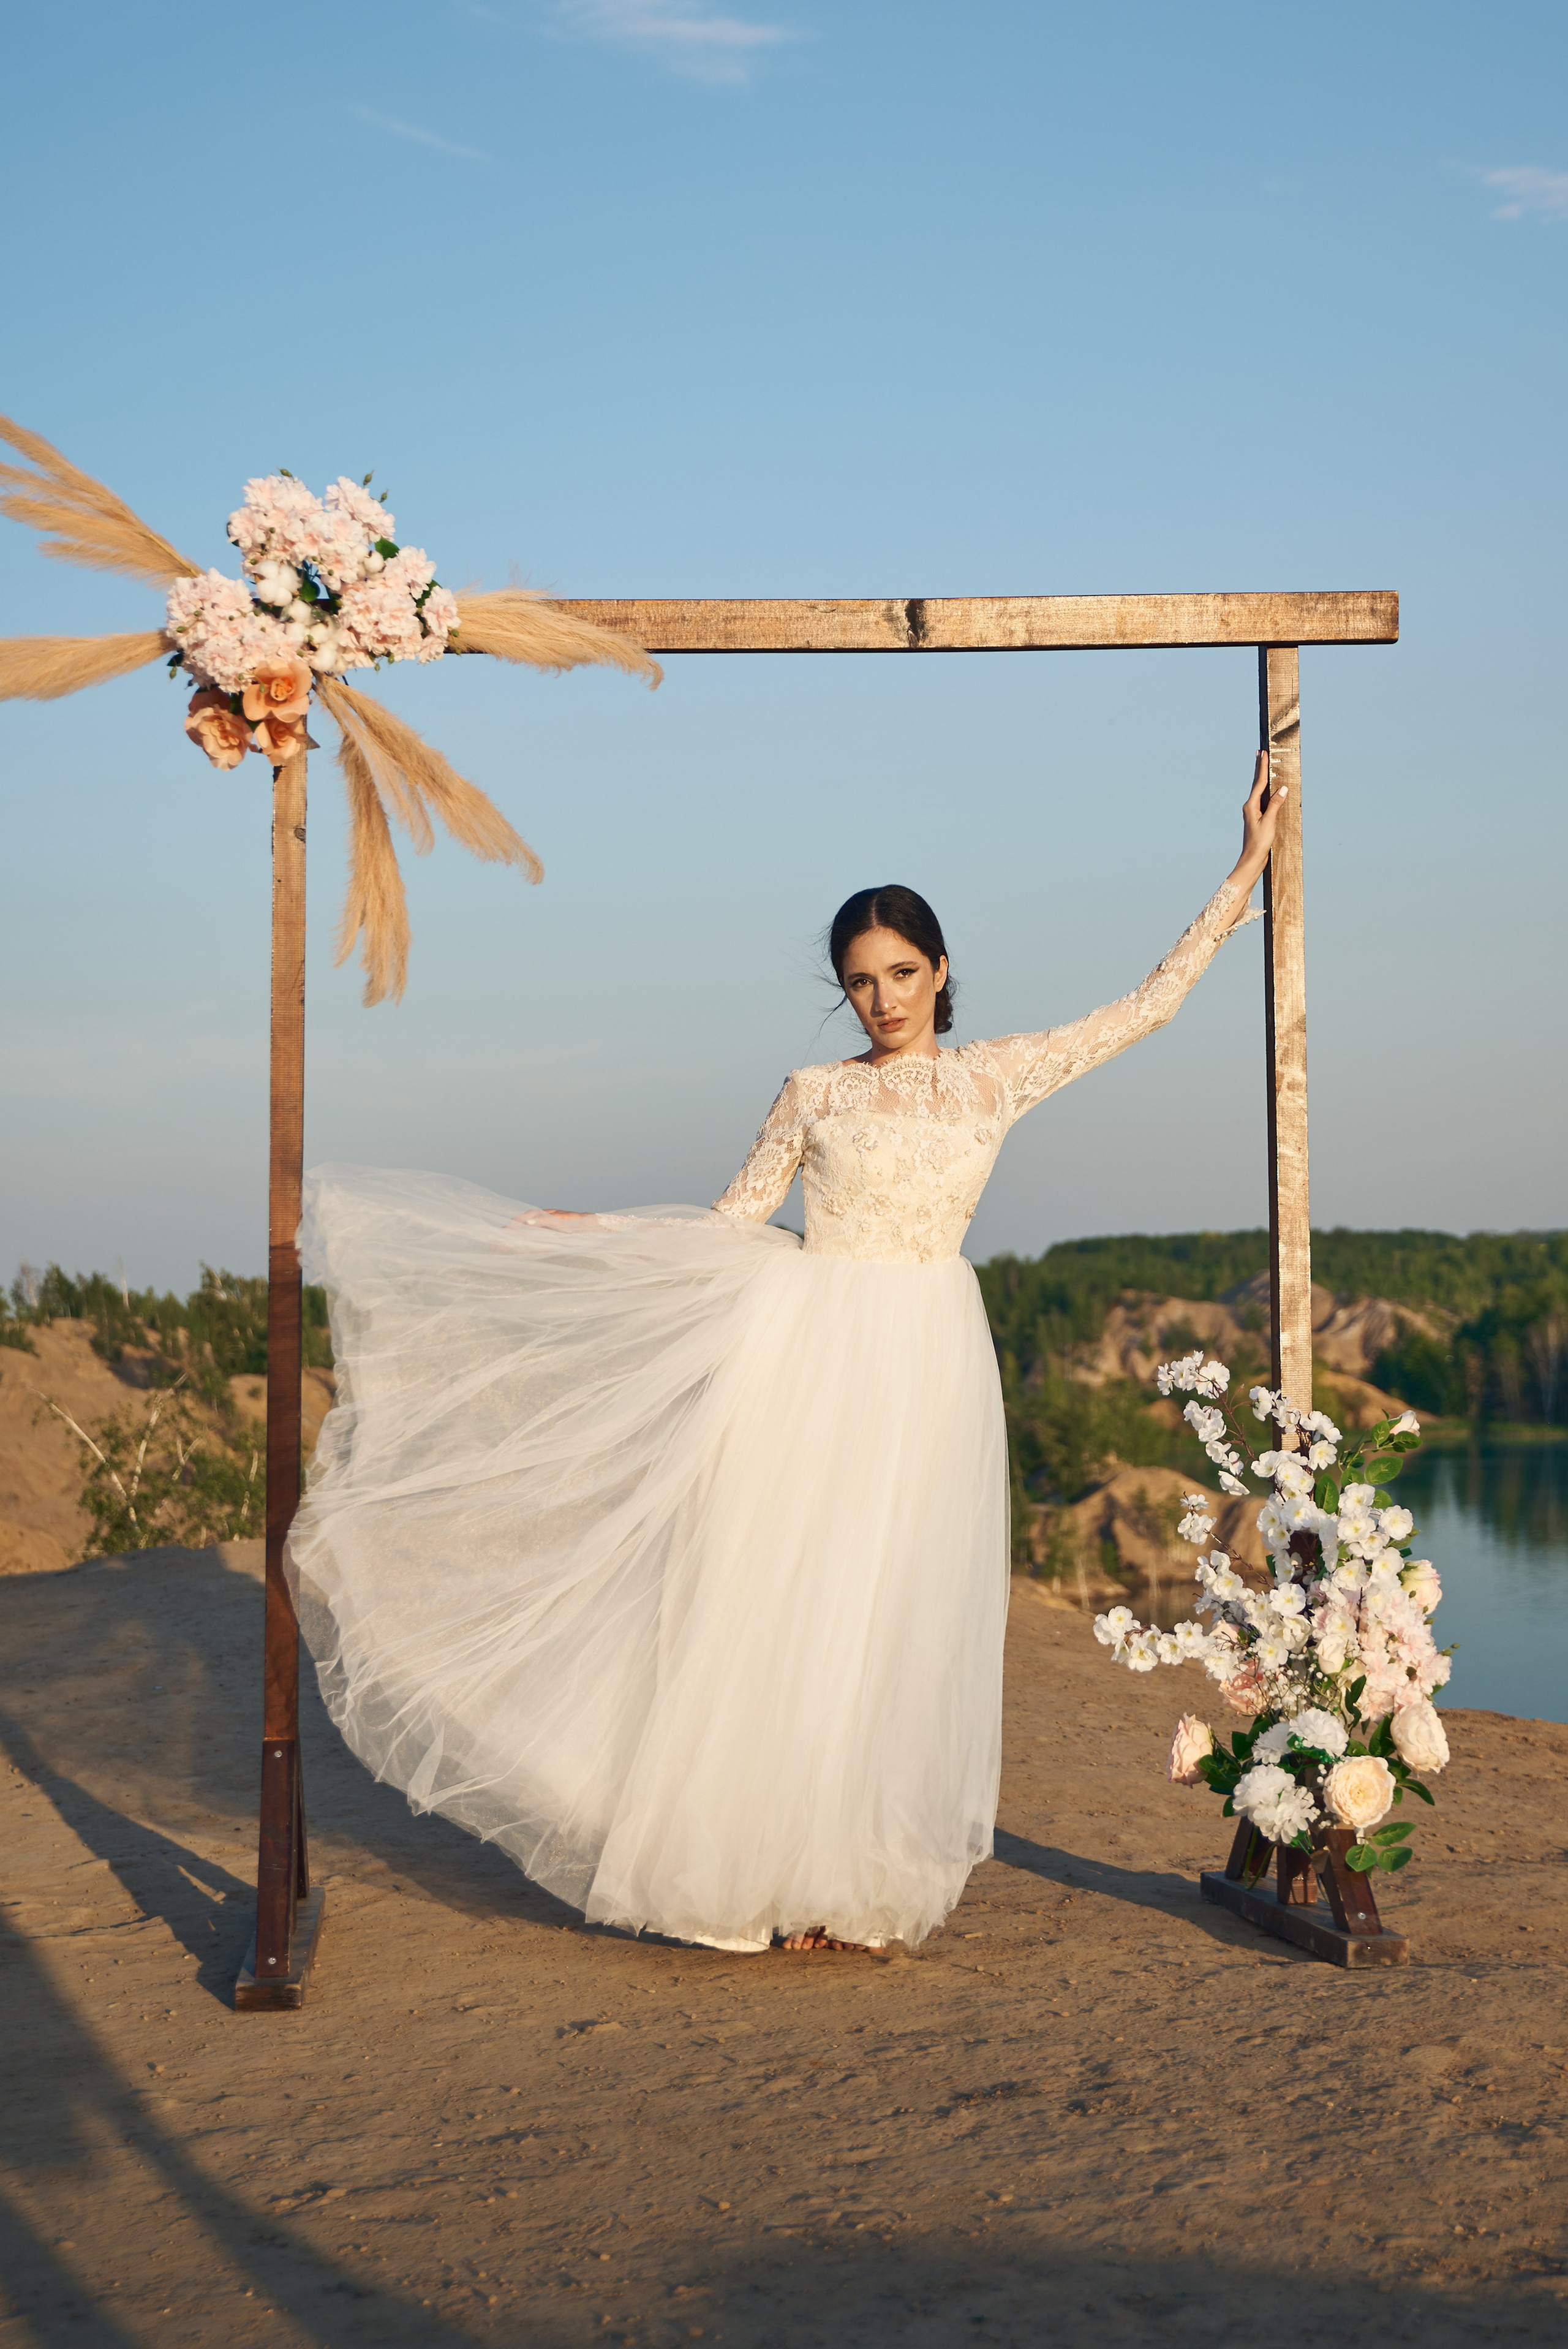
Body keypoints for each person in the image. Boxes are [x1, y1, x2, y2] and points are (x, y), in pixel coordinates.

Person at [287, 754, 1285, 1954]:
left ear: (941, 970)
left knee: (887, 1622)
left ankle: (846, 1877)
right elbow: (728, 1224)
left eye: (903, 974)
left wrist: (1243, 872)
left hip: (925, 1362)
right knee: (791, 1609)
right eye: (860, 983)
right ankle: (769, 1874)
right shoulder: (813, 1090)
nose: (883, 1000)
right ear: (841, 992)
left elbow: (1146, 1006)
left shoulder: (991, 1080)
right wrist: (587, 1235)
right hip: (811, 1356)